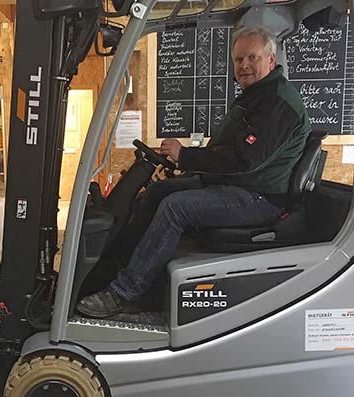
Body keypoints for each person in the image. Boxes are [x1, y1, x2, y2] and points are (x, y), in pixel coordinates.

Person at [76, 25, 312, 318]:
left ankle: (123, 292)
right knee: (158, 191)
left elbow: (245, 160)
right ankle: (117, 267)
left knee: (176, 207)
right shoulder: (258, 95)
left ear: (270, 60)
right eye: (239, 60)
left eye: (252, 57)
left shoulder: (278, 103)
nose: (244, 65)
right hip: (239, 186)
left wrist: (186, 156)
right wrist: (187, 161)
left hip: (259, 198)